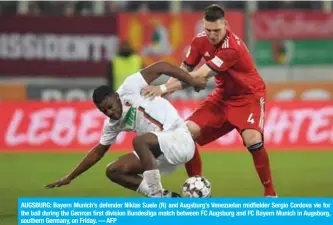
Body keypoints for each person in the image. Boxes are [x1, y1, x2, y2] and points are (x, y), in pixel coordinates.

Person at [142, 4, 277, 197]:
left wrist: (162, 88)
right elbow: (184, 70)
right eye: (208, 30)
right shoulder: (199, 41)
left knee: (252, 139)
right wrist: (166, 92)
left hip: (249, 97)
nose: (212, 35)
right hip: (222, 97)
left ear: (226, 25)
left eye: (217, 30)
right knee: (186, 133)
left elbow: (199, 77)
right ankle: (198, 190)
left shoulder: (232, 48)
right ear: (203, 26)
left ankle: (270, 192)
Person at [45, 61, 207, 197]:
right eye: (104, 111)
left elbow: (161, 67)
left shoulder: (130, 87)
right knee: (114, 170)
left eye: (110, 106)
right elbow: (97, 152)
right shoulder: (112, 124)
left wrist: (192, 81)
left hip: (179, 138)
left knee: (139, 141)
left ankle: (156, 196)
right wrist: (70, 177)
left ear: (117, 97)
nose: (110, 112)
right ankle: (166, 198)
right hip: (161, 155)